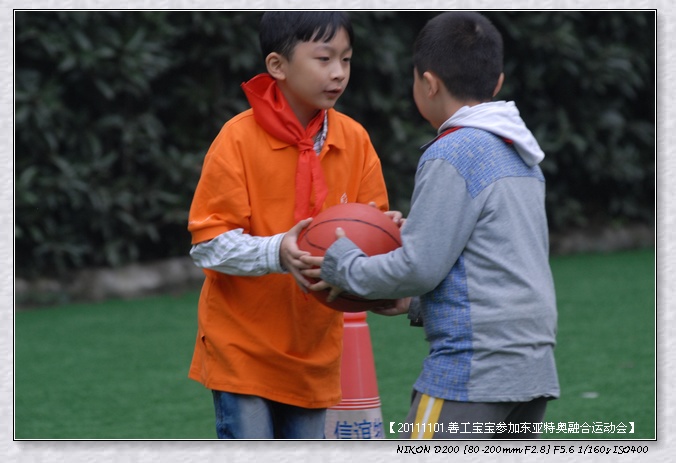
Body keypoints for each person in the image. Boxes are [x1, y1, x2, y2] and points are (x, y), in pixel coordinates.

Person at [301, 11, 560, 439]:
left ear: (428, 83)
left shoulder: (453, 151)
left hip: (472, 369)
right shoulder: (522, 153)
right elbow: (499, 267)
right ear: (497, 83)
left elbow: (418, 267)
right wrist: (416, 304)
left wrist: (342, 263)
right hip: (532, 371)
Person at [186, 11, 391, 439]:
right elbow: (208, 245)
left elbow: (373, 237)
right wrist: (278, 251)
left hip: (316, 353)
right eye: (324, 58)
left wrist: (387, 239)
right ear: (277, 65)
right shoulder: (236, 139)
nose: (338, 72)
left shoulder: (355, 141)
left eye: (346, 59)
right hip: (241, 350)